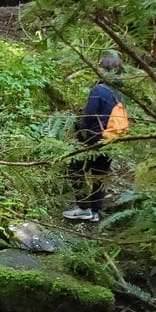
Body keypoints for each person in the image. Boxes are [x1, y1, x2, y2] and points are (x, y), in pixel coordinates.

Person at [63, 51, 124, 222]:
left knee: (75, 169)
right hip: (111, 138)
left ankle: (83, 208)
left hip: (93, 138)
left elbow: (88, 116)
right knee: (99, 174)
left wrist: (79, 132)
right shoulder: (118, 92)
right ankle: (95, 211)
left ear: (103, 68)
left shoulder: (98, 89)